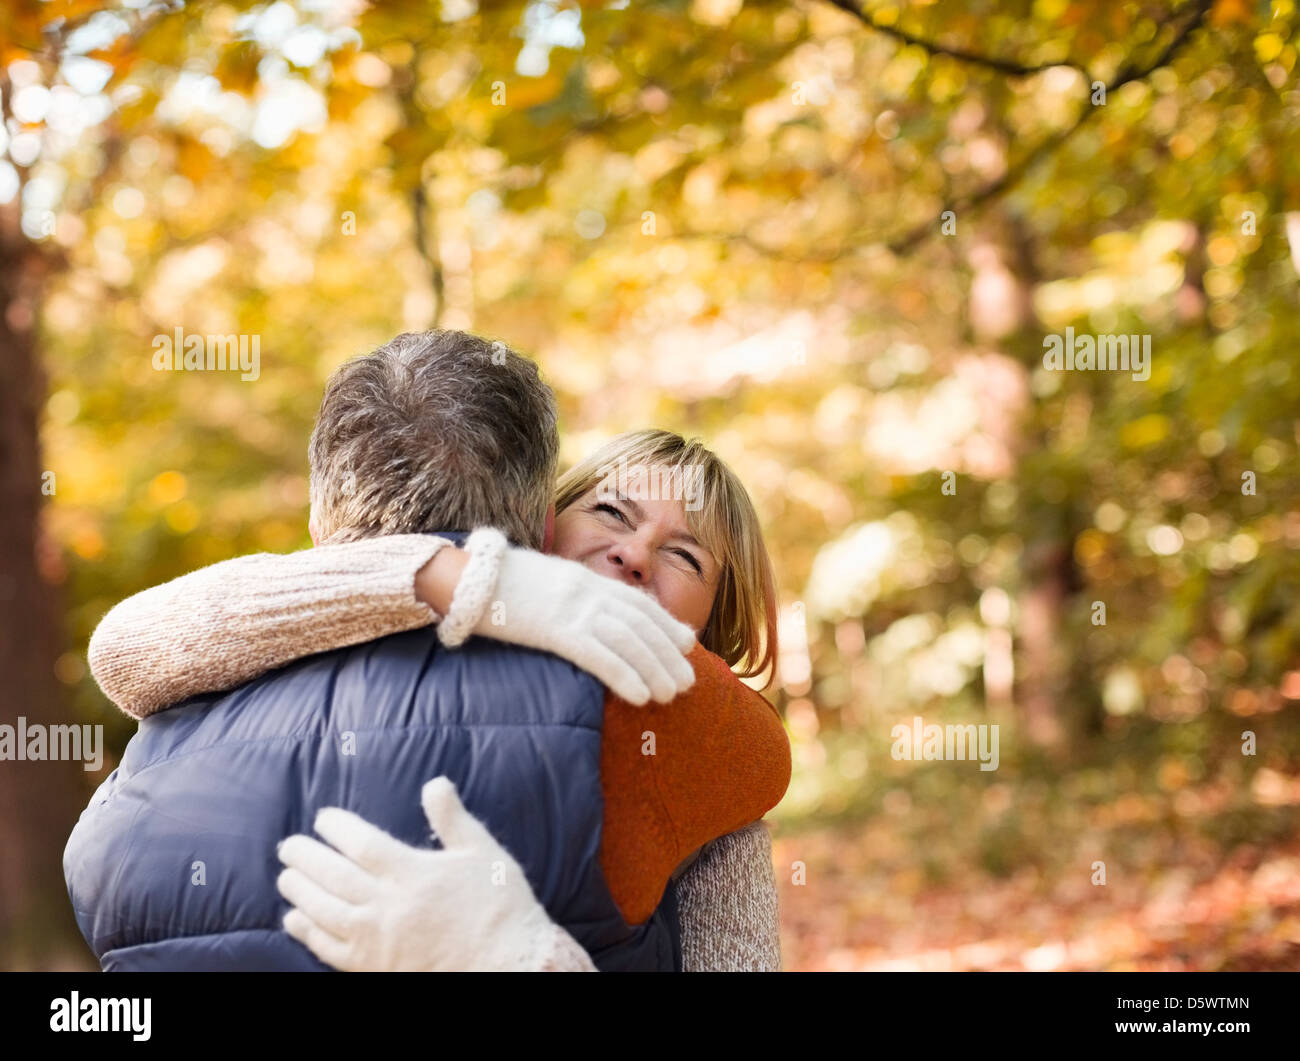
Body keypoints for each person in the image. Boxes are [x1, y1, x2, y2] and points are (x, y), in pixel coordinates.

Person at [67, 331, 790, 972]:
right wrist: (458, 575)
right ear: (542, 525)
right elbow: (125, 644)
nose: (633, 554)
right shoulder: (250, 638)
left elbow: (124, 647)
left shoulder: (161, 751)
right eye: (609, 511)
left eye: (685, 556)